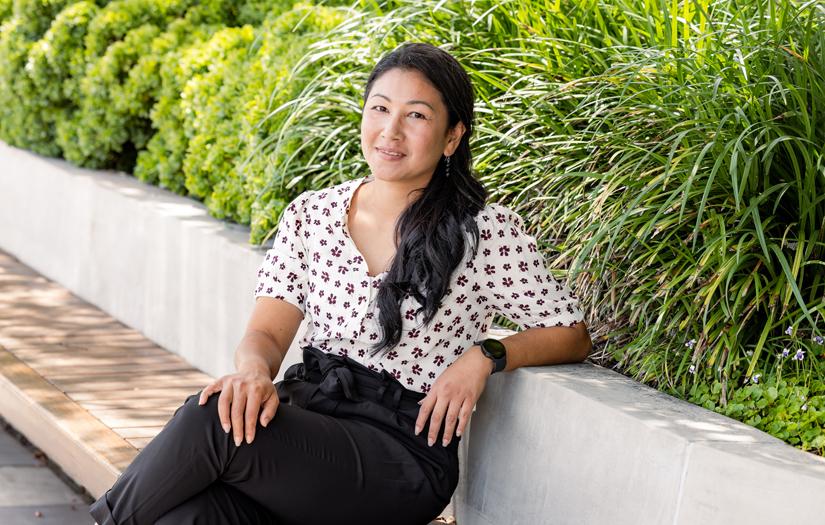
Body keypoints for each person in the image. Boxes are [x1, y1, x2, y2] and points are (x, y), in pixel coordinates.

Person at [89, 41, 592, 525]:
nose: (390, 131)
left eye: (416, 115)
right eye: (379, 108)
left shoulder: (480, 231)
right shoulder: (314, 214)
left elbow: (571, 333)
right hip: (309, 425)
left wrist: (485, 356)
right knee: (187, 510)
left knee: (209, 425)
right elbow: (266, 334)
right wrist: (254, 373)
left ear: (452, 137)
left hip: (399, 455)